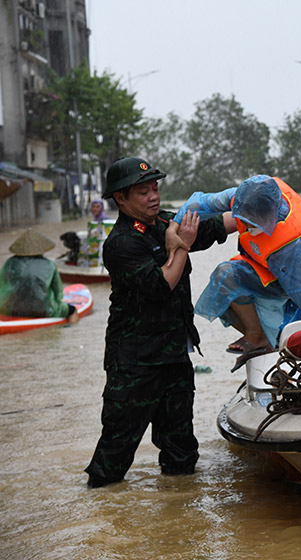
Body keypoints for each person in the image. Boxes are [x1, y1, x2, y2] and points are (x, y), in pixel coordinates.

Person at [85, 157, 229, 488]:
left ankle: (178, 519)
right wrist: (181, 247)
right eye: (142, 192)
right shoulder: (121, 243)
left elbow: (210, 227)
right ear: (121, 198)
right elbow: (162, 285)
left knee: (182, 454)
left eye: (155, 188)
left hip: (174, 357)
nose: (153, 196)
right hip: (135, 364)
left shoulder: (164, 223)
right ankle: (105, 521)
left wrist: (258, 211)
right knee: (114, 458)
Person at [174, 175, 301, 358]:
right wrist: (174, 226)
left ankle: (276, 350)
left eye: (252, 220)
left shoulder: (299, 248)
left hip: (294, 276)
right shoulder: (245, 196)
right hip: (263, 267)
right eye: (243, 218)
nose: (246, 224)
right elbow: (199, 202)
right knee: (224, 275)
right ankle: (258, 337)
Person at [0, 229, 79, 324]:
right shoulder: (50, 264)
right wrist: (58, 304)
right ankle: (68, 328)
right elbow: (58, 292)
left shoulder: (10, 263)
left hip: (11, 310)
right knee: (72, 310)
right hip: (43, 310)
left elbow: (3, 285)